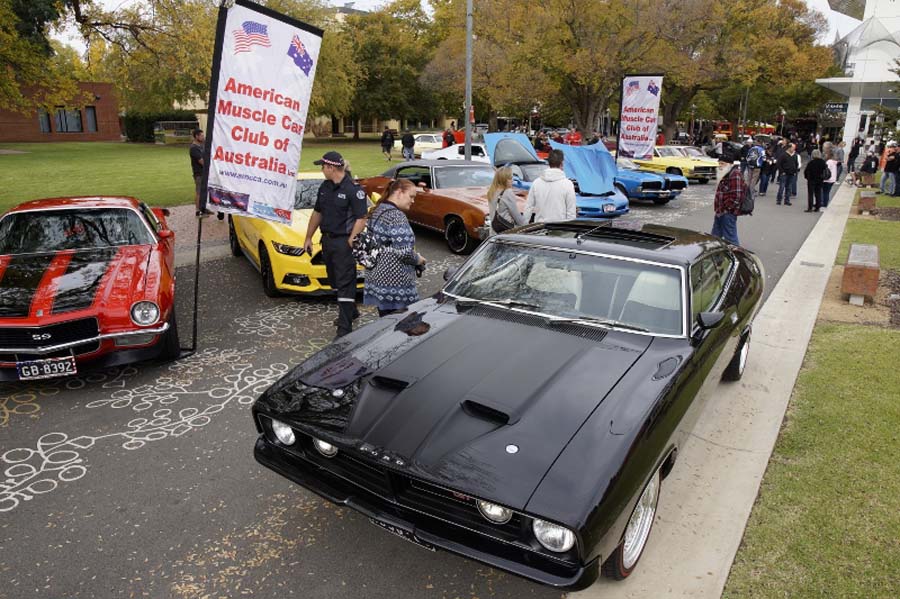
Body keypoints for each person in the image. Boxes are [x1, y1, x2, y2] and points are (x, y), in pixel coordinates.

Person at [303, 151, 368, 338]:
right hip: (327, 241)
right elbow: (317, 213)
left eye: (322, 166)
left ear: (331, 167)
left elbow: (361, 218)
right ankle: (352, 310)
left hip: (344, 242)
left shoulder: (353, 190)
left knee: (345, 282)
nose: (321, 170)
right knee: (334, 281)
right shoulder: (324, 187)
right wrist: (308, 237)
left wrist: (352, 238)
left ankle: (344, 328)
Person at [362, 178, 426, 317]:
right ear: (399, 192)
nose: (413, 201)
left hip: (377, 279)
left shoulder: (378, 210)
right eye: (411, 196)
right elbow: (403, 253)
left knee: (386, 325)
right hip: (395, 285)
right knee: (403, 327)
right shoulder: (396, 216)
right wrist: (418, 260)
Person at [524, 149, 576, 223]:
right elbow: (571, 213)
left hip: (539, 228)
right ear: (562, 163)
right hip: (560, 229)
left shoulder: (536, 183)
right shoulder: (568, 184)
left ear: (548, 163)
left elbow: (528, 207)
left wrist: (524, 226)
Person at [711, 161, 747, 246]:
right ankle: (715, 253)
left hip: (727, 213)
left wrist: (727, 209)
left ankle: (736, 256)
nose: (720, 165)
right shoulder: (726, 173)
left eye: (722, 163)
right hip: (720, 211)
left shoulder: (735, 174)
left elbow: (737, 196)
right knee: (715, 237)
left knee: (731, 239)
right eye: (719, 163)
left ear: (729, 164)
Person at [487, 167, 527, 233]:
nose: (513, 180)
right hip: (506, 231)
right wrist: (527, 226)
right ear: (504, 179)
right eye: (510, 178)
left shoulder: (492, 191)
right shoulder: (507, 192)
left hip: (494, 231)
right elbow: (516, 216)